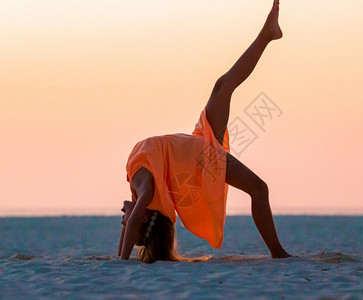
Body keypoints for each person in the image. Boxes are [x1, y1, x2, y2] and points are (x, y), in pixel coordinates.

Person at [118, 0, 291, 263]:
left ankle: (267, 34)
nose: (121, 214)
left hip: (196, 142)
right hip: (201, 160)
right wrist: (121, 261)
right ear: (140, 217)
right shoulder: (145, 191)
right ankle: (278, 253)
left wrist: (123, 249)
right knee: (259, 188)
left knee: (223, 85)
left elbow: (131, 225)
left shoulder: (138, 185)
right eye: (125, 219)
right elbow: (131, 225)